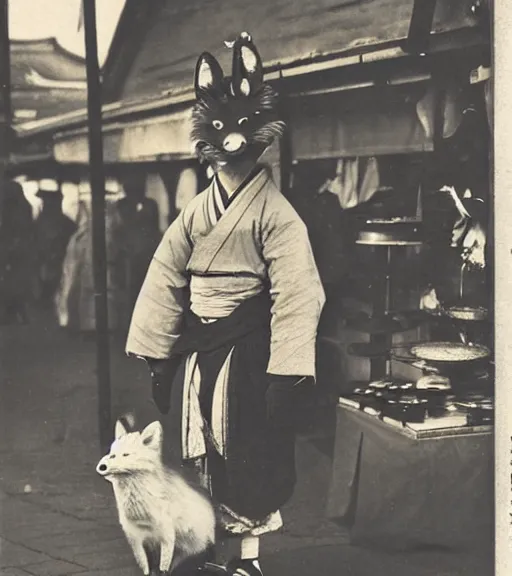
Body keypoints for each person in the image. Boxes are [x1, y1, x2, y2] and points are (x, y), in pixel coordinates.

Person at [125, 34, 325, 576]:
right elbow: (166, 275)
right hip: (199, 345)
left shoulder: (277, 213)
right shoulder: (195, 211)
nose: (232, 140)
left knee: (248, 447)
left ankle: (250, 560)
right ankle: (208, 549)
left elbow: (298, 288)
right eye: (219, 127)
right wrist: (159, 353)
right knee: (199, 446)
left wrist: (287, 372)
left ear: (261, 134)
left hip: (250, 345)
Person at [0, 179, 35, 324]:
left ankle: (14, 312)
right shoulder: (23, 207)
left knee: (12, 282)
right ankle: (17, 312)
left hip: (14, 249)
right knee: (16, 282)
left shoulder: (15, 209)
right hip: (18, 249)